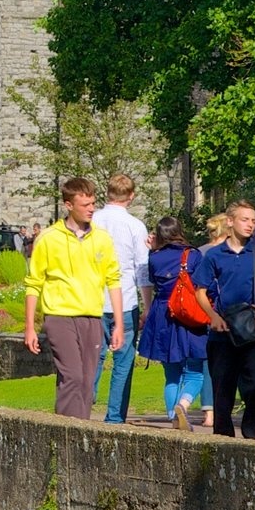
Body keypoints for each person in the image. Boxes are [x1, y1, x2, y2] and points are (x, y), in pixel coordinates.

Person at [22, 177, 125, 420]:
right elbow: (34, 283)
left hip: (91, 317)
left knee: (87, 382)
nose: (91, 209)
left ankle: (78, 430)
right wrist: (29, 327)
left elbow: (113, 280)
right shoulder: (47, 238)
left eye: (93, 203)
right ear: (68, 205)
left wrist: (119, 324)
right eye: (85, 204)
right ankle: (71, 433)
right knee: (73, 376)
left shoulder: (102, 239)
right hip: (59, 316)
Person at [196, 200, 255, 439]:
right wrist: (213, 317)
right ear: (230, 222)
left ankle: (254, 436)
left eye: (253, 220)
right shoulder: (214, 255)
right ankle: (223, 438)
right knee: (223, 388)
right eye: (245, 219)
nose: (250, 225)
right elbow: (200, 290)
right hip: (223, 332)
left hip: (254, 329)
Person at [137, 215, 210, 431]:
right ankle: (183, 405)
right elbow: (201, 284)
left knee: (171, 374)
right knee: (195, 371)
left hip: (163, 314)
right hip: (187, 313)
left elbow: (152, 280)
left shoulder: (154, 257)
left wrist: (152, 249)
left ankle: (173, 418)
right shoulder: (193, 255)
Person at [91, 173, 149, 424]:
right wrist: (147, 305)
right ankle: (114, 416)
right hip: (124, 300)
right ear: (131, 196)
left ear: (108, 193)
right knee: (123, 361)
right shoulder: (135, 226)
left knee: (94, 357)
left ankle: (84, 403)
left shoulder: (92, 220)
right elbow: (142, 269)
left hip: (93, 298)